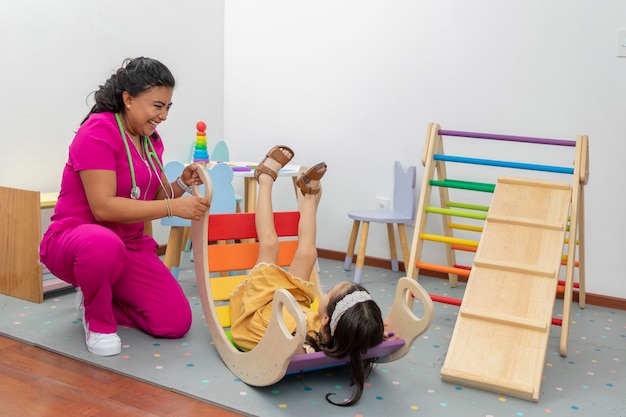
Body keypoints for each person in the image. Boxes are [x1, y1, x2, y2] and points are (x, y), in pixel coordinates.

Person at [39, 57, 210, 357]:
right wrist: (174, 208)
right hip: (77, 238)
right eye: (158, 106)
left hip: (128, 244)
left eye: (168, 107)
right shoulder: (97, 132)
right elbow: (104, 209)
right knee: (103, 244)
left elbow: (153, 199)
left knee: (175, 321)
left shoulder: (151, 140)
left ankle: (96, 296)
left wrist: (180, 184)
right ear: (128, 99)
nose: (164, 115)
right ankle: (98, 319)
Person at [229, 145, 390, 406]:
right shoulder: (341, 332)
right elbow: (359, 331)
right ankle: (307, 196)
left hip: (260, 315)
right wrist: (372, 332)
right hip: (289, 310)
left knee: (270, 244)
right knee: (308, 254)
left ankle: (265, 179)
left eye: (328, 293)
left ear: (326, 318)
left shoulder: (305, 342)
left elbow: (285, 342)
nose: (323, 292)